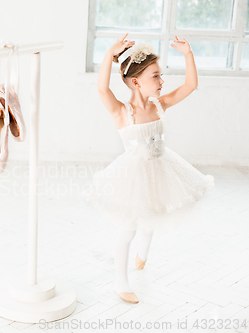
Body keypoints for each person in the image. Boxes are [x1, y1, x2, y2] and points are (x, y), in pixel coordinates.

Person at [81, 33, 215, 304]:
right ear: (135, 82)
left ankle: (143, 255)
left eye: (160, 75)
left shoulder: (159, 104)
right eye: (155, 76)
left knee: (153, 212)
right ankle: (121, 282)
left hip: (161, 167)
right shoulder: (122, 112)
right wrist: (109, 54)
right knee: (129, 227)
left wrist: (188, 54)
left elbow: (190, 85)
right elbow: (102, 89)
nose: (161, 81)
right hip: (133, 175)